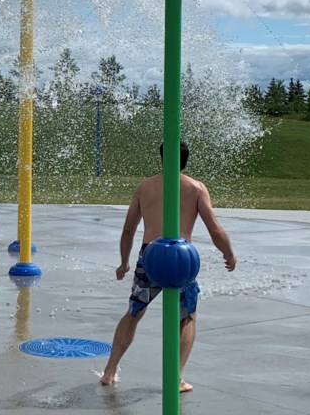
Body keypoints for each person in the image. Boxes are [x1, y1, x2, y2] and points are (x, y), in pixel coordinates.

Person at [100, 141, 237, 393]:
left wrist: (124, 261)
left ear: (162, 158)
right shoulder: (196, 188)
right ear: (186, 160)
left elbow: (129, 229)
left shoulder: (144, 187)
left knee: (134, 312)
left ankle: (109, 370)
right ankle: (176, 377)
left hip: (150, 256)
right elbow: (215, 229)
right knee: (186, 317)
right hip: (180, 259)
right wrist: (228, 253)